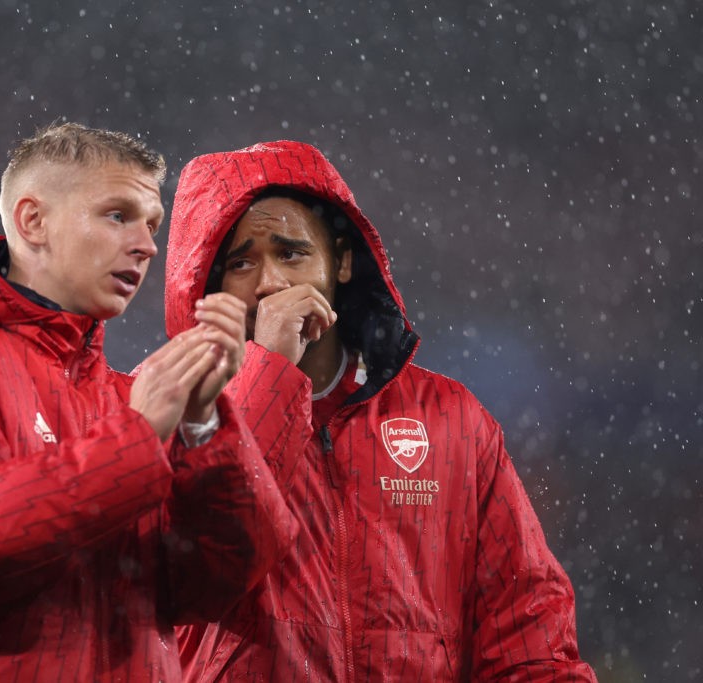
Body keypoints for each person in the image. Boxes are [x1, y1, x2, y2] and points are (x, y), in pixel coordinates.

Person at [0, 123, 296, 682]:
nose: (146, 245)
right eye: (117, 215)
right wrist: (134, 441)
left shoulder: (128, 400)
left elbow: (216, 587)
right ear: (32, 222)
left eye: (152, 225)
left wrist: (203, 425)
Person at [165, 140, 597, 681]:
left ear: (342, 262)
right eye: (241, 263)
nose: (270, 283)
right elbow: (198, 565)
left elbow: (527, 633)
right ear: (209, 284)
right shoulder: (166, 407)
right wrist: (270, 374)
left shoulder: (451, 419)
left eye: (291, 253)